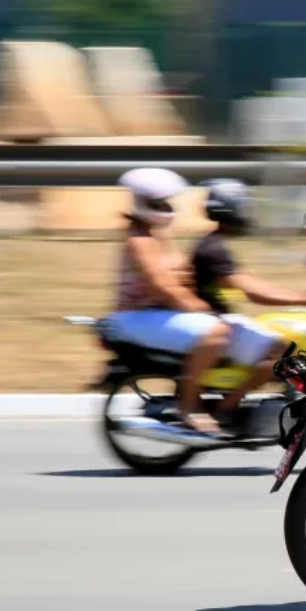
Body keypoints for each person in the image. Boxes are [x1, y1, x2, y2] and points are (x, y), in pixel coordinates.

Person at [105, 167, 234, 436]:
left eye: (166, 202)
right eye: (159, 203)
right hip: (135, 317)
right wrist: (197, 306)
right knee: (215, 333)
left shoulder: (159, 235)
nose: (166, 208)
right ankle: (188, 406)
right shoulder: (139, 240)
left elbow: (181, 277)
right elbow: (162, 285)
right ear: (145, 203)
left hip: (158, 312)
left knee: (229, 330)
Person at [189, 178, 306, 434]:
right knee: (282, 350)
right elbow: (253, 293)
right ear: (232, 210)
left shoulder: (214, 244)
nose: (248, 214)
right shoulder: (212, 249)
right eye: (244, 208)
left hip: (221, 321)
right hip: (218, 323)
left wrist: (299, 295)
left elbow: (250, 282)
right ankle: (227, 407)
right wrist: (303, 299)